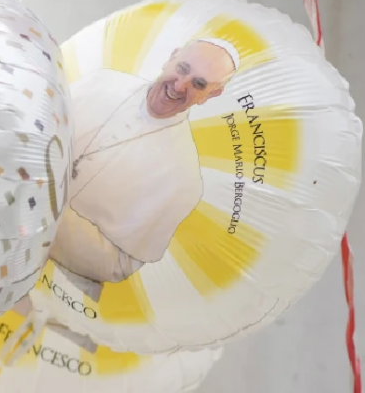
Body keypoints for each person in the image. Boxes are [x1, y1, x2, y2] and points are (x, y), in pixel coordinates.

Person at [50, 39, 241, 300]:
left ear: (211, 94)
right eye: (182, 68)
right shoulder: (101, 82)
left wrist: (47, 215)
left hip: (55, 285)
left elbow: (118, 266)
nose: (180, 86)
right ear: (171, 57)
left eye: (198, 84)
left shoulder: (184, 180)